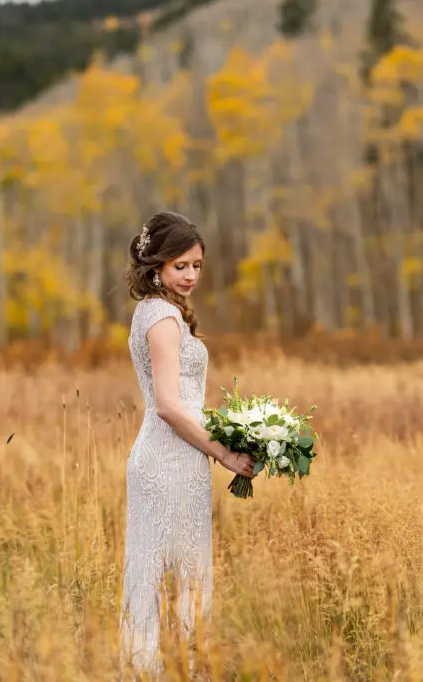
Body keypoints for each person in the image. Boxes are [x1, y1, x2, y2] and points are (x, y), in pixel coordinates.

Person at [119, 211, 257, 676]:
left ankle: (177, 666)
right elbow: (169, 406)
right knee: (169, 577)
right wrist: (223, 453)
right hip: (167, 462)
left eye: (197, 265)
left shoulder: (160, 312)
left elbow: (187, 404)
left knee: (178, 574)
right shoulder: (160, 316)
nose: (191, 275)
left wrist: (229, 432)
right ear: (157, 265)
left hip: (180, 457)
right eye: (180, 266)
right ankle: (167, 669)